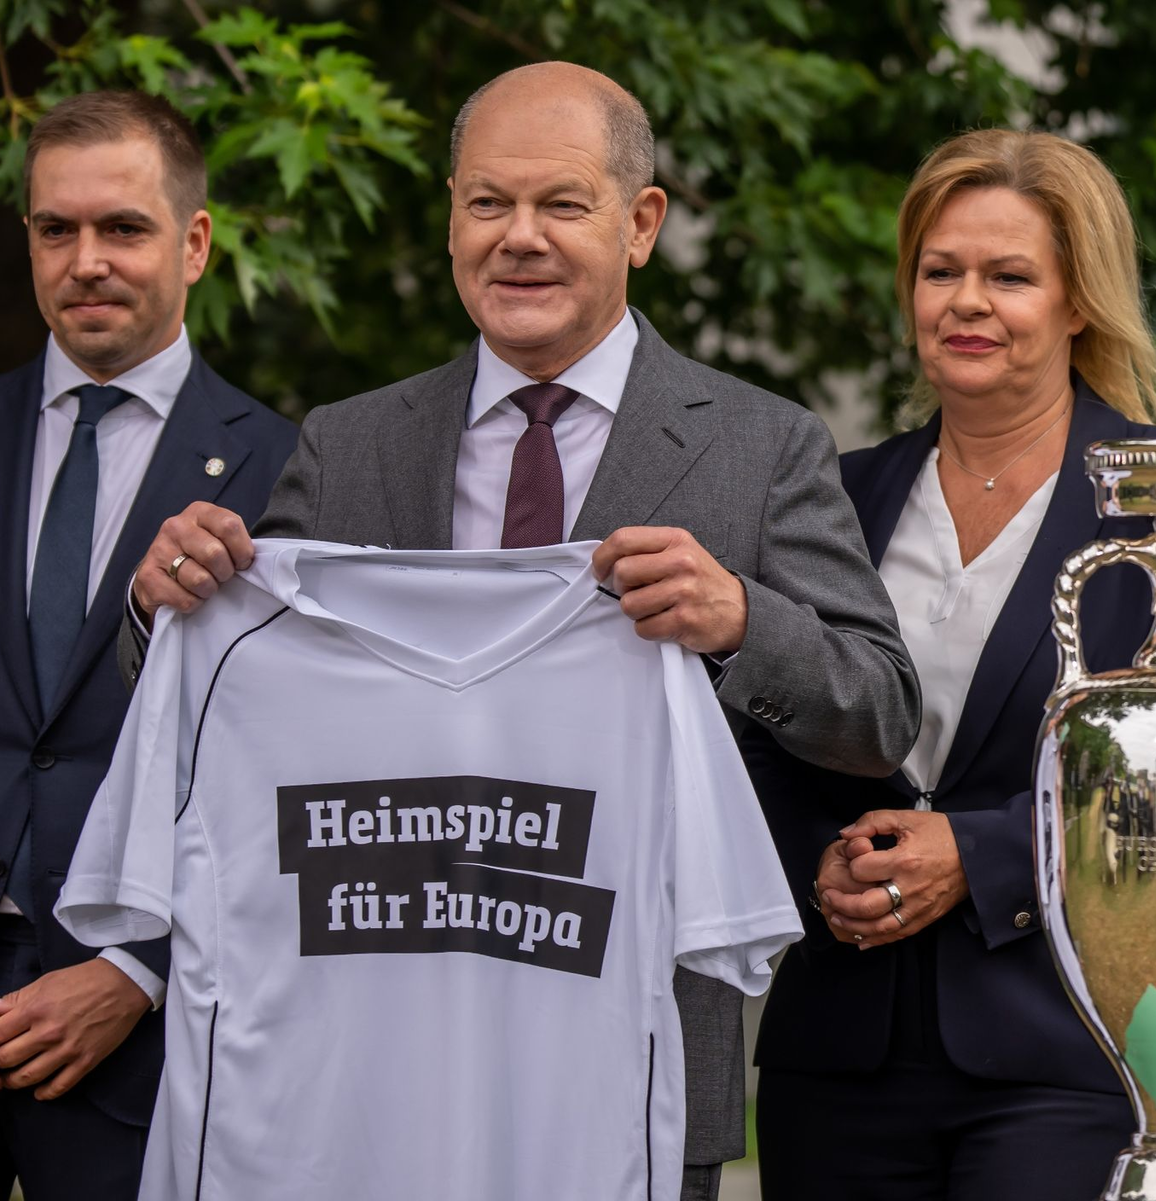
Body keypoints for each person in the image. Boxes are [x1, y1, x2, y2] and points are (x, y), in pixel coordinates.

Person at [125, 62, 920, 1200]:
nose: (520, 238)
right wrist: (167, 605)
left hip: (625, 1054)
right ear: (451, 218)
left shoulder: (761, 445)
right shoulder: (349, 444)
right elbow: (237, 699)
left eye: (562, 204)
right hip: (364, 1055)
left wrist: (742, 622)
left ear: (641, 223)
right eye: (488, 203)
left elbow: (880, 712)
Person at [753, 128, 1156, 1200]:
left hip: (1069, 1052)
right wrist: (816, 861)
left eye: (1009, 276)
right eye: (940, 272)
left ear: (1078, 303)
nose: (967, 302)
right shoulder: (830, 496)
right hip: (835, 1051)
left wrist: (983, 857)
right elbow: (760, 732)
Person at [0, 91, 297, 1200]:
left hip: (137, 1038)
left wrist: (138, 969)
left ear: (196, 243)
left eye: (123, 227)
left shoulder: (290, 471)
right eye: (56, 229)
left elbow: (293, 781)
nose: (86, 261)